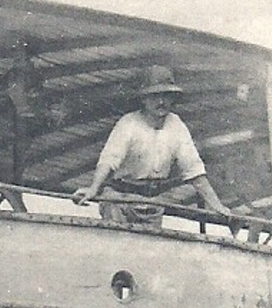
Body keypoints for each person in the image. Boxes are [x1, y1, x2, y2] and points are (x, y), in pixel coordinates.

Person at [72, 65, 234, 229]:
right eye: (154, 96)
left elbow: (193, 169)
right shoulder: (128, 123)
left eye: (166, 96)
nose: (161, 102)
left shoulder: (176, 125)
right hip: (120, 199)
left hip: (152, 202)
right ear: (143, 99)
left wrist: (217, 206)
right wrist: (93, 189)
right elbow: (109, 160)